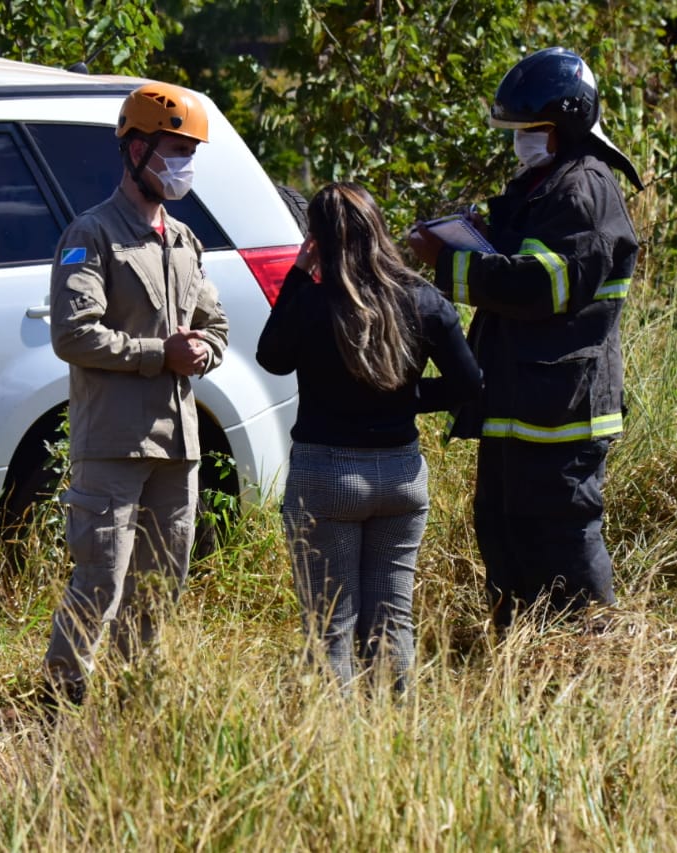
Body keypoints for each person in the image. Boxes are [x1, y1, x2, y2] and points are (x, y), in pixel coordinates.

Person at [408, 47, 643, 631]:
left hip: (562, 408)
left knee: (561, 536)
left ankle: (591, 657)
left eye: (531, 131)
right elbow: (518, 247)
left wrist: (450, 263)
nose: (521, 143)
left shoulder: (583, 188)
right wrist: (482, 233)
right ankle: (520, 656)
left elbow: (543, 285)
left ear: (564, 124)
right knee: (503, 528)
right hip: (521, 403)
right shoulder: (546, 182)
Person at [41, 81, 229, 708]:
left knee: (161, 582)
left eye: (189, 153)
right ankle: (61, 697)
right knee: (101, 578)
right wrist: (160, 356)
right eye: (174, 150)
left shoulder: (185, 240)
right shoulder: (91, 233)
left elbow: (217, 326)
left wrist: (205, 350)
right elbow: (74, 335)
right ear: (135, 148)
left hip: (179, 446)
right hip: (114, 443)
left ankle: (131, 699)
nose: (183, 166)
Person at [257, 182, 481, 696]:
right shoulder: (422, 297)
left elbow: (272, 356)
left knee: (330, 625)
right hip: (401, 478)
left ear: (316, 238)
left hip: (328, 476)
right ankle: (393, 735)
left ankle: (338, 747)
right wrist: (402, 398)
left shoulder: (314, 301)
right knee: (391, 619)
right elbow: (471, 383)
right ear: (378, 227)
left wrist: (296, 272)